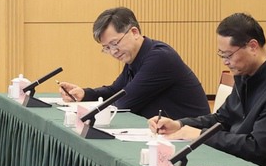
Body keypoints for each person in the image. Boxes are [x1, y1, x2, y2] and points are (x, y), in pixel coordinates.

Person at [149, 13, 266, 166]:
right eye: (222, 55)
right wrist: (180, 124)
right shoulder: (246, 74)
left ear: (253, 46)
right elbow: (222, 119)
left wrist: (200, 135)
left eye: (228, 55)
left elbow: (256, 147)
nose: (225, 62)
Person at [56, 7, 209, 119]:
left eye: (115, 43)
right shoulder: (135, 57)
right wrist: (85, 94)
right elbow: (115, 91)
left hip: (188, 137)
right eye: (107, 48)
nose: (113, 52)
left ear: (134, 32)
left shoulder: (159, 58)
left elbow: (124, 103)